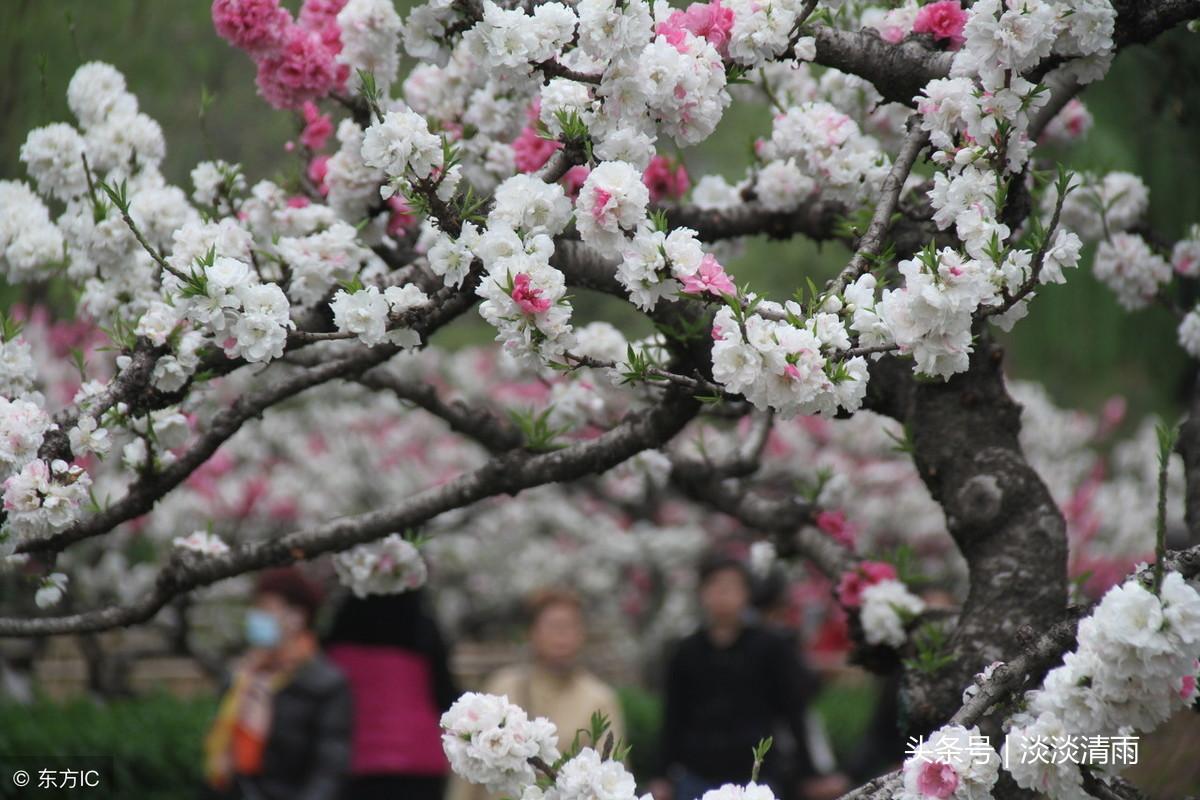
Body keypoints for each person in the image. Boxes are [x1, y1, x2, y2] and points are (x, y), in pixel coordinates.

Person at [650, 554, 832, 800]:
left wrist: (809, 773)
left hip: (757, 775)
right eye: (716, 586)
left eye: (732, 587)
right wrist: (662, 775)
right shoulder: (686, 651)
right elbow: (673, 716)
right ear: (702, 593)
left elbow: (794, 711)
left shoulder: (770, 648)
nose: (723, 595)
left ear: (747, 594)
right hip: (697, 775)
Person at [451, 588, 625, 800]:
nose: (562, 636)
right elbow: (468, 772)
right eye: (553, 626)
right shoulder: (502, 687)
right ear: (531, 632)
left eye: (570, 626)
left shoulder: (599, 698)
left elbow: (613, 773)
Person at [204, 567, 351, 800]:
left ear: (297, 617)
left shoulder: (324, 684)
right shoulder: (241, 677)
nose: (256, 617)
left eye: (266, 608)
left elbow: (328, 769)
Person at [325, 589, 458, 800]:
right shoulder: (422, 629)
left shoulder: (340, 633)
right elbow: (445, 694)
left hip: (360, 761)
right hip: (418, 759)